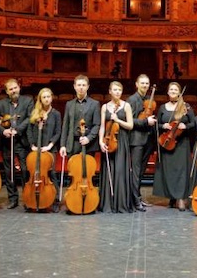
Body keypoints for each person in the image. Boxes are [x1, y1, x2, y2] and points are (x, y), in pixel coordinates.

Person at [153, 82, 196, 211]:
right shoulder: (162, 108)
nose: (172, 91)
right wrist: (163, 126)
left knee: (181, 172)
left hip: (181, 143)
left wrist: (185, 126)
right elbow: (157, 125)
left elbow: (193, 123)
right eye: (170, 89)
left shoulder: (185, 107)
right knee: (169, 172)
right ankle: (172, 197)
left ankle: (181, 198)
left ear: (179, 92)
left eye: (175, 89)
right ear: (167, 92)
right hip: (167, 142)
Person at [0, 78, 34, 209]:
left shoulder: (28, 101)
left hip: (22, 141)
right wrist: (3, 131)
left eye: (15, 88)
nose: (13, 90)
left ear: (19, 88)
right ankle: (13, 199)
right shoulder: (1, 104)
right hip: (7, 142)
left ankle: (27, 198)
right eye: (10, 89)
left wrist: (18, 130)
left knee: (25, 171)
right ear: (6, 91)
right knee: (9, 171)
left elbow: (30, 117)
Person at [98, 81, 134, 213]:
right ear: (110, 91)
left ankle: (120, 204)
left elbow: (130, 125)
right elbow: (102, 126)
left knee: (119, 171)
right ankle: (108, 204)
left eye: (119, 89)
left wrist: (117, 120)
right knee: (108, 172)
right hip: (108, 140)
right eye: (115, 89)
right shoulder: (104, 107)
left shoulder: (126, 106)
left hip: (121, 141)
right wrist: (101, 141)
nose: (117, 92)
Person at [26, 88, 62, 213]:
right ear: (40, 99)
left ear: (52, 98)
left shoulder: (56, 114)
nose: (46, 99)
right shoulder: (35, 112)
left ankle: (55, 200)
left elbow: (58, 132)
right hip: (36, 148)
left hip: (49, 148)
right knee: (34, 173)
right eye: (44, 97)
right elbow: (29, 130)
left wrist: (50, 146)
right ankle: (31, 199)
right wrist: (32, 145)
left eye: (48, 96)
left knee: (51, 175)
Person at [127, 74, 157, 211]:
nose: (145, 85)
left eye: (147, 83)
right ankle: (135, 201)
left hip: (148, 139)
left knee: (142, 171)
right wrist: (146, 121)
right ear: (136, 84)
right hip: (137, 140)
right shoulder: (132, 100)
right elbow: (130, 121)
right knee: (136, 171)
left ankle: (138, 196)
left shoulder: (148, 99)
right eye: (142, 83)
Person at [59, 74, 101, 161]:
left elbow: (97, 124)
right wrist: (62, 145)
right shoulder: (69, 104)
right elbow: (65, 126)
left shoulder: (95, 104)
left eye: (83, 85)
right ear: (74, 86)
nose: (81, 87)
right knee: (73, 172)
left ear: (88, 87)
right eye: (79, 85)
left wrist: (88, 138)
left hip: (88, 145)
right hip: (72, 144)